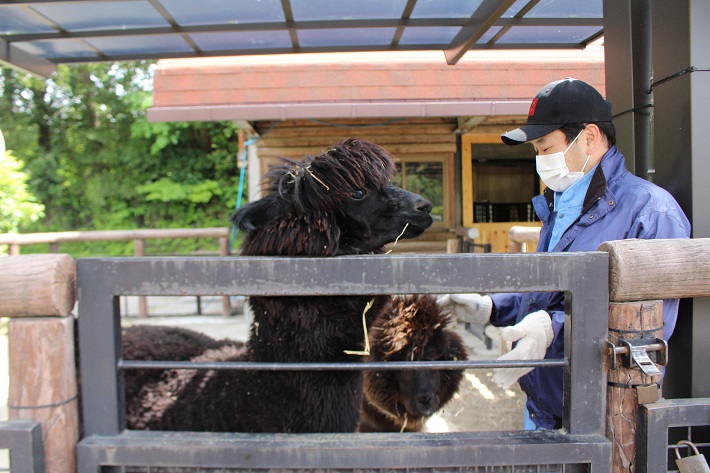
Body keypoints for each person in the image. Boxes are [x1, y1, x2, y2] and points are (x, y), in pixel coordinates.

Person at [439, 77, 691, 430]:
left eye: (545, 148)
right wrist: (492, 306)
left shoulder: (651, 213)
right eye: (537, 151)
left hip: (606, 419)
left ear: (588, 137)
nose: (540, 160)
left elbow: (649, 329)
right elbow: (548, 294)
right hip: (546, 404)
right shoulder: (560, 204)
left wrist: (554, 330)